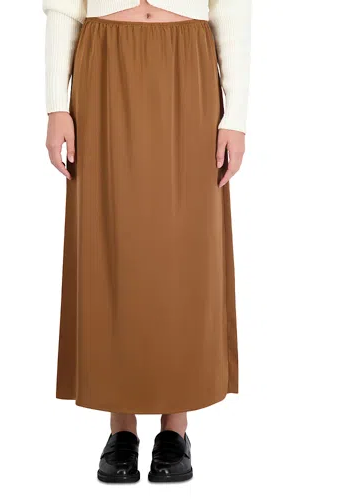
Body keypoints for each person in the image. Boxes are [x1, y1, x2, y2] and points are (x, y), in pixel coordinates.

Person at [42, 0, 251, 483]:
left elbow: (233, 9)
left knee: (186, 244)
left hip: (188, 61)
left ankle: (175, 428)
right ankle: (121, 428)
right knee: (109, 239)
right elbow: (63, 7)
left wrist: (235, 115)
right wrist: (56, 104)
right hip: (103, 61)